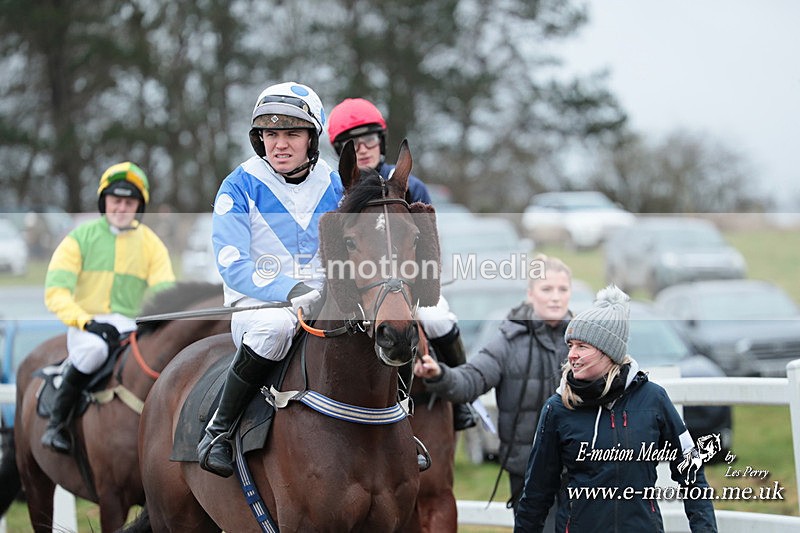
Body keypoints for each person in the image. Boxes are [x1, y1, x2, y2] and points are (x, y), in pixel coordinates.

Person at [197, 82, 344, 478]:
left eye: (292, 133)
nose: (279, 144)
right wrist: (289, 290)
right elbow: (232, 263)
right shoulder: (238, 184)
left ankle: (398, 425)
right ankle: (219, 431)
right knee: (277, 328)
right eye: (271, 134)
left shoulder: (334, 184)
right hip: (260, 307)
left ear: (312, 139)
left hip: (324, 302)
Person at [514, 285, 718, 533]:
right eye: (571, 346)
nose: (572, 355)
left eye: (582, 346)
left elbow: (691, 472)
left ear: (608, 351)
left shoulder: (653, 399)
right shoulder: (558, 408)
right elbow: (536, 493)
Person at [329, 97, 475, 431]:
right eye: (352, 144)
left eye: (369, 139)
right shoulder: (339, 189)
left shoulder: (412, 185)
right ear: (342, 152)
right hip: (361, 284)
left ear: (380, 141)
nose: (363, 149)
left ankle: (463, 402)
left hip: (407, 280)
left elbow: (427, 241)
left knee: (437, 319)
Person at [414, 254, 574, 510]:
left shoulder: (582, 343)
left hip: (580, 472)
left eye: (562, 289)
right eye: (547, 289)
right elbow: (471, 378)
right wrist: (440, 375)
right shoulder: (507, 343)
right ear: (531, 294)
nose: (555, 296)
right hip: (528, 473)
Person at [42, 162, 176, 453]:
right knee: (93, 352)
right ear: (105, 202)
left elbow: (164, 291)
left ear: (138, 207)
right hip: (88, 327)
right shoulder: (79, 238)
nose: (121, 207)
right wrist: (87, 322)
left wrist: (151, 320)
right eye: (116, 200)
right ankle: (57, 425)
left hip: (132, 326)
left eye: (129, 202)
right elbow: (55, 293)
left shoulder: (152, 244)